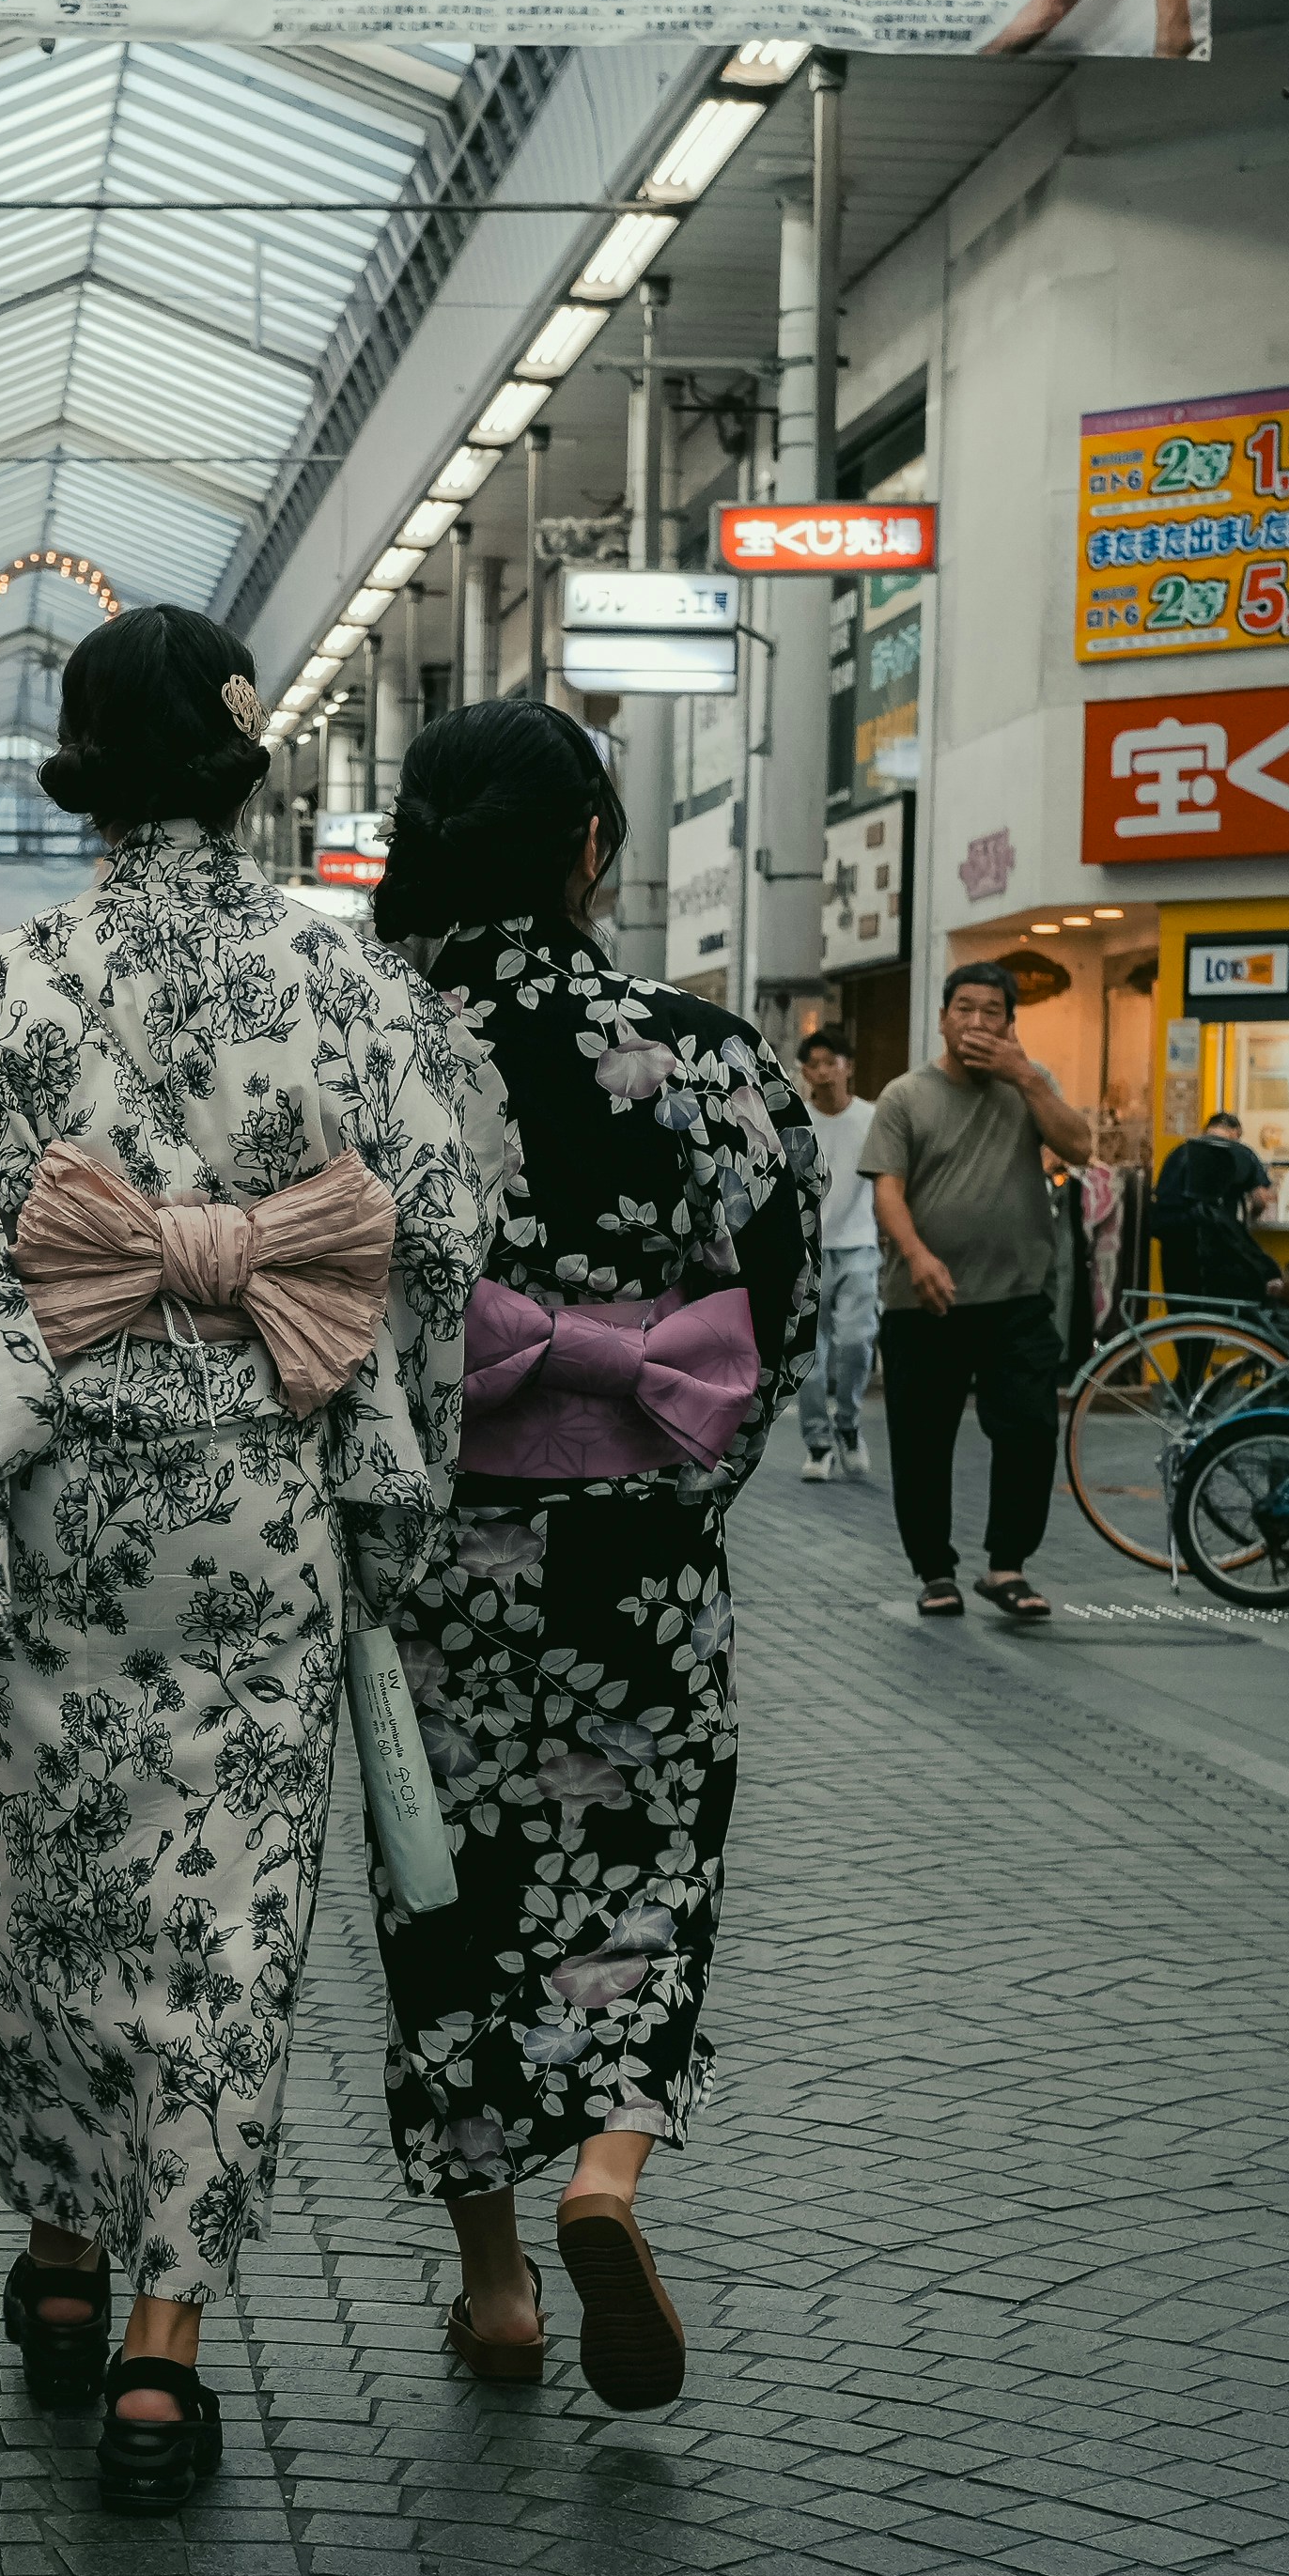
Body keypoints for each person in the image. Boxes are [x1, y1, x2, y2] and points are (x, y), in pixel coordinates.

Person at [0, 606, 489, 2511]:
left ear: (77, 768)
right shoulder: (352, 991)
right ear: (248, 762)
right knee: (234, 1916)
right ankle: (169, 2344)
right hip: (263, 1510)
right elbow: (433, 1251)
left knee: (52, 1893)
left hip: (53, 1508)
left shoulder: (11, 987)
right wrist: (390, 1481)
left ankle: (66, 2247)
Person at [360, 701, 814, 2417]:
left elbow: (321, 1310)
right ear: (586, 853)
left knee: (447, 1889)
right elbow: (775, 1312)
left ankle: (491, 2290)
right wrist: (694, 1480)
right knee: (641, 1863)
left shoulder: (369, 1047)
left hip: (443, 1549)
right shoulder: (703, 1054)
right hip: (638, 1543)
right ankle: (606, 2173)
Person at [862, 961, 1090, 1622]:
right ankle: (935, 1571)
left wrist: (1026, 1076)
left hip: (1017, 1297)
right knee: (922, 1438)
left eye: (993, 1012)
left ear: (1010, 1024)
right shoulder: (906, 1095)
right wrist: (917, 1255)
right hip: (923, 1299)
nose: (978, 1023)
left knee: (1029, 1429)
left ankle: (1007, 1566)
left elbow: (1080, 1145)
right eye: (965, 1009)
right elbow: (887, 1190)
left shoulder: (1030, 1087)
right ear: (942, 1018)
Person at [792, 1026, 879, 1480]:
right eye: (814, 1064)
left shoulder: (873, 1117)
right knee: (808, 1353)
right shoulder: (798, 1122)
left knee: (856, 1341)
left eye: (831, 1062)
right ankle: (818, 1443)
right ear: (804, 1071)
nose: (823, 1072)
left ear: (848, 1066)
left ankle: (847, 1423)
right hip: (807, 1252)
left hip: (860, 1244)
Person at [1150, 1110, 1279, 1308]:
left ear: (1206, 1129)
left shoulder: (1177, 1153)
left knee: (1182, 1312)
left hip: (1174, 1247)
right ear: (1236, 1132)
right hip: (1215, 1251)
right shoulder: (1241, 1153)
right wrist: (1246, 1226)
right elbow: (1260, 1199)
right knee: (1215, 1310)